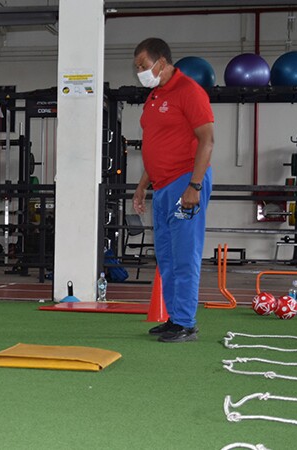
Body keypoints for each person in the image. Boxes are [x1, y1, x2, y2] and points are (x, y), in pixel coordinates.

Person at [131, 38, 214, 343]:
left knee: (184, 254)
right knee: (165, 255)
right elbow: (155, 147)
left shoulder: (189, 91)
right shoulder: (153, 97)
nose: (139, 71)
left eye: (142, 65)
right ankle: (174, 317)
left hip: (185, 181)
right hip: (162, 185)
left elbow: (207, 140)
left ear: (162, 62)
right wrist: (141, 186)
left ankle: (186, 322)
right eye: (137, 67)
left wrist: (195, 184)